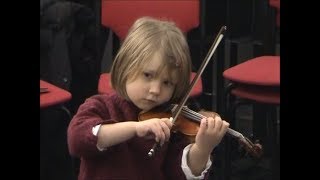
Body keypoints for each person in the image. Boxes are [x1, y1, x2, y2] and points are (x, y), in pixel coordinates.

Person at [67, 16, 229, 180]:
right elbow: (77, 140)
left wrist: (202, 149)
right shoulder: (101, 106)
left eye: (167, 82)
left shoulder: (172, 123)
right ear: (126, 66)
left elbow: (177, 174)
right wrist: (135, 128)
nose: (155, 90)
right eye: (147, 75)